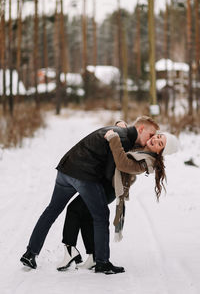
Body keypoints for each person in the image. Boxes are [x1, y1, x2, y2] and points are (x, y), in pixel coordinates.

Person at [20, 116, 159, 274]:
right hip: (84, 175)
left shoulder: (120, 132)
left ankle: (30, 254)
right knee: (100, 215)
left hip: (66, 169)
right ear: (141, 129)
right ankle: (102, 262)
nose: (152, 138)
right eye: (151, 135)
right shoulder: (124, 140)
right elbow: (109, 170)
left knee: (51, 211)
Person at [56, 129, 179, 271]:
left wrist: (114, 138)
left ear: (160, 152)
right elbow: (127, 135)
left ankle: (79, 254)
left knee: (76, 209)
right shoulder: (141, 146)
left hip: (109, 189)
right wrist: (120, 125)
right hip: (101, 183)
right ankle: (94, 257)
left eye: (160, 143)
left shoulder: (147, 162)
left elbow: (122, 163)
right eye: (158, 137)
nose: (155, 140)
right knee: (85, 215)